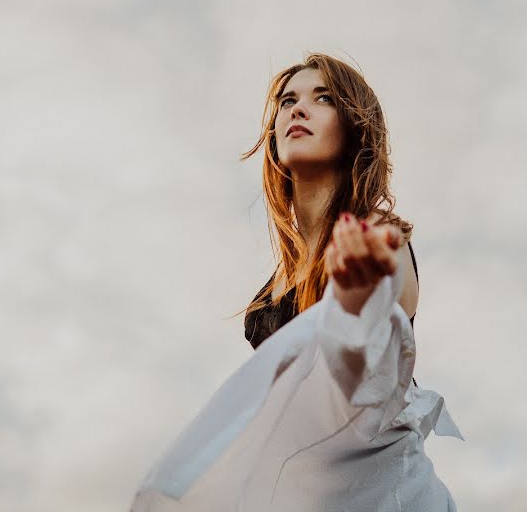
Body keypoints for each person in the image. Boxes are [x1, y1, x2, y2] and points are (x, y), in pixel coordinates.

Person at [130, 52, 463, 511]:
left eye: (322, 98)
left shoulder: (378, 238)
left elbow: (375, 358)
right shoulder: (271, 291)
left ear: (353, 127)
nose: (297, 109)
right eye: (288, 101)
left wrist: (360, 297)